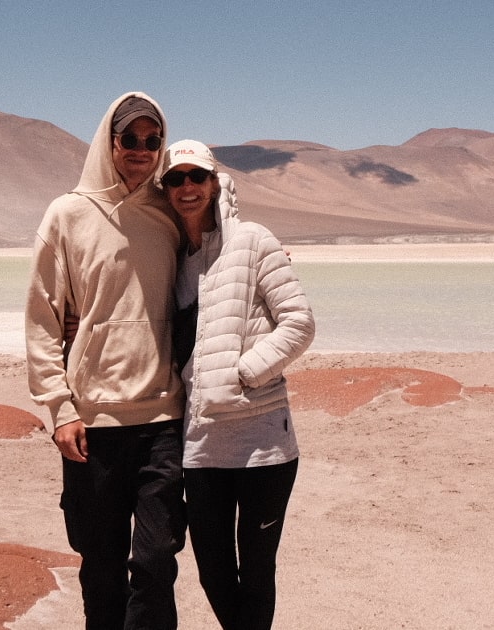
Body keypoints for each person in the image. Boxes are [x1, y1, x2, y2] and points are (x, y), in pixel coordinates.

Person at [25, 93, 186, 630]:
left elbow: (217, 239)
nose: (141, 149)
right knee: (101, 565)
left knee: (156, 562)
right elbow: (43, 316)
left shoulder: (170, 211)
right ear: (109, 142)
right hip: (92, 423)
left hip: (163, 417)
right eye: (130, 138)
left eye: (152, 140)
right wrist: (59, 407)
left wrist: (264, 256)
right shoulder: (67, 214)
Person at [161, 139, 315, 630]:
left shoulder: (251, 240)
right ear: (166, 189)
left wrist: (244, 373)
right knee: (213, 571)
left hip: (262, 445)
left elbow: (299, 322)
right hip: (201, 445)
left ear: (214, 183)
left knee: (257, 571)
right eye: (175, 178)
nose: (187, 187)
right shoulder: (173, 260)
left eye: (196, 176)